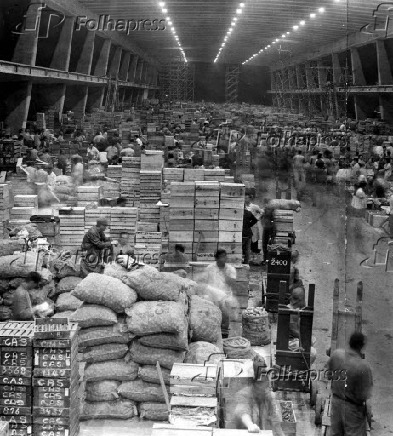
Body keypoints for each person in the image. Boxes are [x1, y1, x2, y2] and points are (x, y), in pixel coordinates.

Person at [327, 332, 373, 436]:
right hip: (352, 409)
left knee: (335, 433)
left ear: (350, 342)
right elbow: (363, 395)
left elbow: (328, 375)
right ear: (361, 346)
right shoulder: (363, 367)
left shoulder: (337, 355)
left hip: (336, 403)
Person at [234, 358, 285, 435]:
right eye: (261, 383)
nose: (266, 386)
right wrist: (250, 425)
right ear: (254, 384)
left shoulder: (269, 397)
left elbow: (276, 423)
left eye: (267, 382)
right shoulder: (244, 394)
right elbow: (242, 411)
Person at [206, 249, 237, 338]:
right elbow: (207, 282)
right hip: (213, 296)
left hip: (225, 296)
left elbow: (232, 283)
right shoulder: (210, 268)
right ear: (216, 258)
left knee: (225, 315)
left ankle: (224, 333)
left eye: (225, 256)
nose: (224, 258)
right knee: (212, 317)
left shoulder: (231, 269)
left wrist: (224, 273)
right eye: (221, 257)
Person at [243, 198, 258, 265]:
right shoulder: (248, 213)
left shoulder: (237, 213)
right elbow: (255, 220)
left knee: (239, 248)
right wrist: (249, 225)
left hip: (240, 234)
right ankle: (246, 263)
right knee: (247, 250)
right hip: (248, 234)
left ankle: (239, 261)